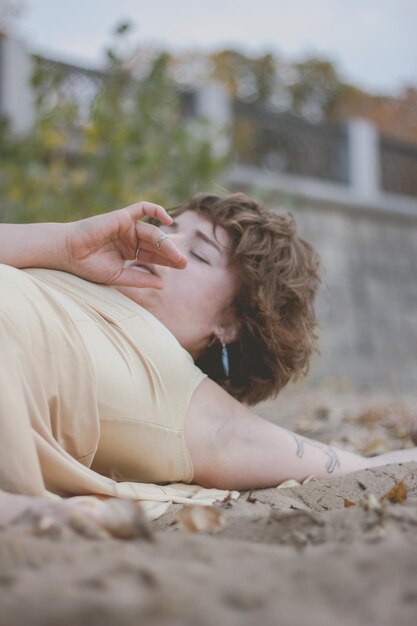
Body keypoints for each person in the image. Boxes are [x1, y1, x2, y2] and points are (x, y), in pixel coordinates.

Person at [1, 193, 416, 528]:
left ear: (232, 323)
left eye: (199, 255)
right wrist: (65, 243)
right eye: (165, 228)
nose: (161, 242)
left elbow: (355, 464)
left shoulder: (179, 389)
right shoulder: (71, 272)